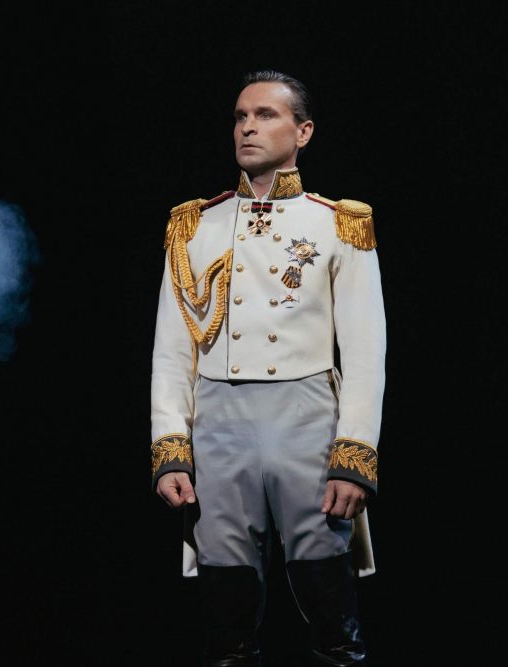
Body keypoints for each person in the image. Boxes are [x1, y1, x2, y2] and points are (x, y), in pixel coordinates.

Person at [150, 71, 384, 666]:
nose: (248, 127)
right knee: (226, 611)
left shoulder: (338, 222)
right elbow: (172, 350)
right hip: (219, 423)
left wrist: (354, 456)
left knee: (328, 603)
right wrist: (171, 448)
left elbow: (364, 352)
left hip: (306, 419)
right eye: (240, 116)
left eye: (265, 115)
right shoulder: (194, 224)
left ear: (303, 132)